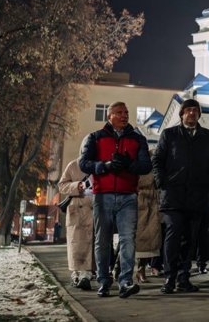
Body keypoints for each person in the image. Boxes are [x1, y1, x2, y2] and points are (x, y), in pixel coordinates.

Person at [79, 101, 151, 299]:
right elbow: (83, 163)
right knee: (103, 241)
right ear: (109, 116)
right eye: (119, 112)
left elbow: (146, 166)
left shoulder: (138, 139)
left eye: (126, 112)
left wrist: (128, 164)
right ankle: (103, 281)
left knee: (128, 239)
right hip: (103, 196)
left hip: (128, 196)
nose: (124, 115)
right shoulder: (95, 137)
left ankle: (125, 281)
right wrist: (105, 166)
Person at [153, 99, 209, 294]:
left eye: (195, 110)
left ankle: (184, 278)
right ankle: (169, 278)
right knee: (173, 236)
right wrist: (161, 181)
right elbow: (158, 159)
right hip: (173, 195)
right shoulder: (170, 134)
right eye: (188, 110)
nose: (191, 113)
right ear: (181, 114)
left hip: (197, 195)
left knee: (190, 239)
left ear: (199, 114)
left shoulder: (208, 136)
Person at [58, 159, 94, 290]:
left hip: (93, 208)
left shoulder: (99, 163)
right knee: (76, 244)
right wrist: (77, 185)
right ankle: (76, 275)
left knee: (91, 242)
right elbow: (61, 185)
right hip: (76, 209)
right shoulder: (73, 165)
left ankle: (86, 275)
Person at [134, 172, 161, 283]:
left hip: (152, 201)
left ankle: (142, 269)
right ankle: (119, 266)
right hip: (137, 200)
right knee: (132, 238)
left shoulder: (152, 160)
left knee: (149, 240)